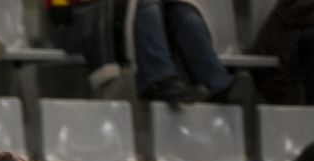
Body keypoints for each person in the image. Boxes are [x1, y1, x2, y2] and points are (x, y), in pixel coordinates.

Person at [45, 0, 236, 105]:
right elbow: (59, 15)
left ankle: (217, 85)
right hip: (80, 28)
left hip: (123, 22)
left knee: (182, 12)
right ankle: (157, 81)